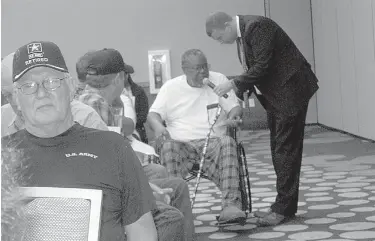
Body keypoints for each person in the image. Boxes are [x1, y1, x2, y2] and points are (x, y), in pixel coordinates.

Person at [2, 40, 182, 240]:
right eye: (28, 86)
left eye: (52, 82)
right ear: (16, 98)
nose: (42, 93)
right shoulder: (3, 157)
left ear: (70, 88)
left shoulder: (114, 148)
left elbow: (141, 230)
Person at [205, 12, 319, 226]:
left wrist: (232, 84)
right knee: (281, 149)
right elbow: (259, 67)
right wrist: (245, 88)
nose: (221, 43)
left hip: (290, 94)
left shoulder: (257, 27)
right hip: (280, 96)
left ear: (227, 25)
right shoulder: (247, 31)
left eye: (219, 37)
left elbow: (262, 66)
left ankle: (282, 209)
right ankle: (284, 206)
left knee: (284, 150)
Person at [76, 48, 195, 240]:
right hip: (108, 190)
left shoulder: (90, 99)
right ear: (119, 78)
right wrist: (144, 187)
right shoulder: (96, 105)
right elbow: (111, 163)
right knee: (176, 189)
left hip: (100, 181)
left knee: (162, 175)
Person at [148, 48, 246, 223]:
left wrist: (233, 116)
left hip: (215, 143)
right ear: (184, 69)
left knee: (227, 142)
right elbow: (153, 115)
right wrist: (158, 127)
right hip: (182, 144)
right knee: (168, 146)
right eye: (197, 68)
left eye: (205, 67)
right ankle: (175, 211)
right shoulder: (171, 87)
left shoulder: (218, 80)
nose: (203, 72)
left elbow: (234, 106)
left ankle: (231, 205)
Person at [1, 52, 108, 137]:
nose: (16, 102)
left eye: (28, 87)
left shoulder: (85, 118)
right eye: (8, 95)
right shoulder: (3, 118)